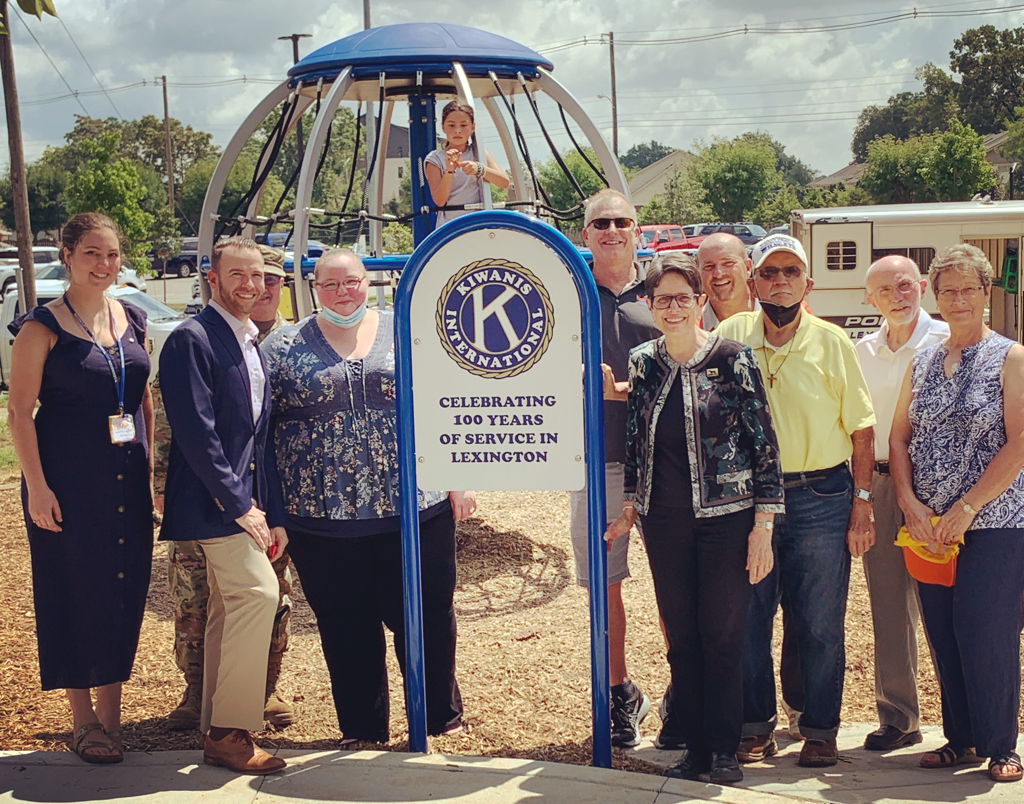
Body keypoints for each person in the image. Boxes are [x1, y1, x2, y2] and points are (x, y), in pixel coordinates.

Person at [262, 248, 472, 743]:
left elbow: (449, 399)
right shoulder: (282, 346)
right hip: (321, 519)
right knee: (346, 627)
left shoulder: (409, 329)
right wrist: (272, 510)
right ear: (313, 288)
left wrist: (459, 479)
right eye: (330, 284)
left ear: (366, 283)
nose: (343, 292)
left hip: (417, 510)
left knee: (426, 617)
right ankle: (362, 728)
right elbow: (261, 430)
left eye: (351, 282)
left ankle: (438, 718)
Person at [605, 252, 784, 783]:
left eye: (685, 297)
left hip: (728, 519)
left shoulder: (733, 358)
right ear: (650, 305)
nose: (675, 307)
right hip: (665, 523)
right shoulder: (643, 361)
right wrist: (631, 504)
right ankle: (696, 750)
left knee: (722, 636)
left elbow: (765, 446)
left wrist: (764, 525)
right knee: (682, 637)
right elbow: (636, 442)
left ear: (701, 303)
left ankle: (724, 750)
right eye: (664, 299)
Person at [716, 234, 876, 768]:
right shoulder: (731, 333)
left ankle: (820, 729)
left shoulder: (833, 341)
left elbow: (861, 429)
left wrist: (861, 503)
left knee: (820, 622)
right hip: (751, 500)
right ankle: (755, 727)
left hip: (822, 496)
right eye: (769, 272)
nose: (779, 281)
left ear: (809, 282)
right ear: (752, 281)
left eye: (790, 272)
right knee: (750, 617)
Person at [7, 212, 153, 764]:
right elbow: (20, 413)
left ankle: (113, 718)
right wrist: (36, 488)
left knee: (121, 589)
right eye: (92, 252)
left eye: (112, 254)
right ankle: (82, 720)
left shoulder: (133, 319)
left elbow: (142, 402)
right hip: (66, 481)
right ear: (66, 255)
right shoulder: (40, 328)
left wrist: (151, 475)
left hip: (125, 482)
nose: (104, 264)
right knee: (72, 590)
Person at [890, 243, 1024, 783]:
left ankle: (1000, 745)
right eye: (948, 290)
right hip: (928, 526)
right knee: (943, 630)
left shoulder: (1010, 357)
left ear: (986, 293)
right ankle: (960, 739)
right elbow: (898, 438)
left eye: (969, 288)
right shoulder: (921, 359)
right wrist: (908, 502)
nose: (959, 299)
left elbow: (1018, 444)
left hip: (992, 521)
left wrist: (968, 506)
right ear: (936, 297)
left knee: (986, 629)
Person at [159, 236, 288, 775]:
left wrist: (270, 509)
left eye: (257, 276)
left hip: (242, 503)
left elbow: (256, 439)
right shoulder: (192, 339)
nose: (249, 285)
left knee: (227, 610)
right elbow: (197, 434)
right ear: (212, 277)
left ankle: (215, 724)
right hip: (214, 506)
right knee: (260, 594)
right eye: (237, 275)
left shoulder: (247, 340)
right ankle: (231, 732)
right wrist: (242, 507)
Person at [696, 232, 802, 742]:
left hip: (804, 487)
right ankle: (745, 718)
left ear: (747, 272)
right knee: (744, 612)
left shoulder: (798, 324)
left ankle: (804, 711)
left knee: (807, 612)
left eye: (728, 264)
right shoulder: (694, 323)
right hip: (729, 495)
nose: (718, 275)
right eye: (707, 266)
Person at [575, 188, 660, 747]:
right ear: (585, 234)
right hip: (598, 464)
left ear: (637, 230)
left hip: (668, 464)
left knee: (683, 586)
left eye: (621, 221)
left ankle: (686, 695)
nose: (610, 230)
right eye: (600, 222)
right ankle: (620, 692)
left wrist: (625, 393)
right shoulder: (566, 292)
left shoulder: (664, 291)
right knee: (606, 589)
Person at [854, 255, 948, 752]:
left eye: (905, 284)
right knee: (888, 605)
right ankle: (899, 715)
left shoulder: (949, 341)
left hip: (938, 490)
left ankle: (964, 714)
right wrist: (861, 495)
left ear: (924, 286)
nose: (898, 295)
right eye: (885, 290)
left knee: (946, 606)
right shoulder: (860, 353)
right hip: (882, 484)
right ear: (870, 300)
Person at [425, 100, 509, 227]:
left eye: (463, 125)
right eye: (451, 125)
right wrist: (449, 171)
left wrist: (479, 169)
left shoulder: (480, 153)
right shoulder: (435, 159)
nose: (457, 131)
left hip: (479, 222)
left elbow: (504, 182)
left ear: (472, 127)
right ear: (443, 127)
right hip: (451, 225)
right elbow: (439, 201)